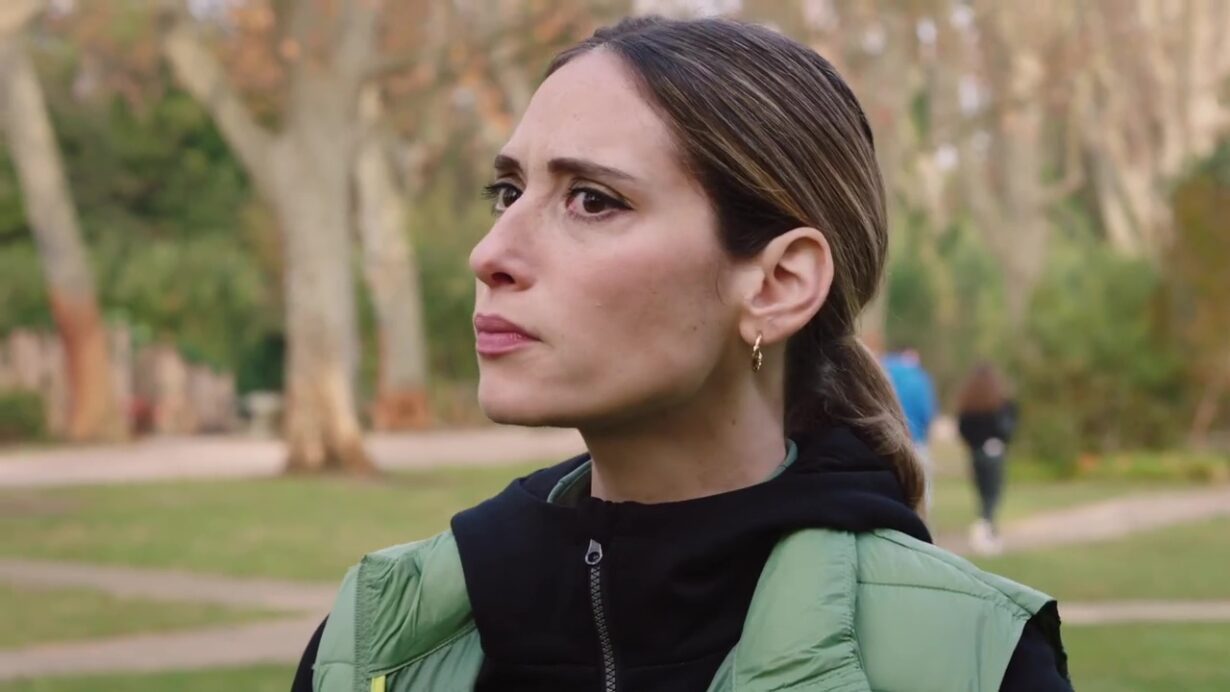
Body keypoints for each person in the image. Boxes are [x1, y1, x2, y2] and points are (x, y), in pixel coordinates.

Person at [293, 16, 1071, 692]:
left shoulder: (973, 660)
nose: (489, 252)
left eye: (591, 200)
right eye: (508, 193)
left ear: (777, 284)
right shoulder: (376, 640)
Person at [957, 362, 1019, 555]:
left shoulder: (969, 405)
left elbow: (963, 429)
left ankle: (988, 529)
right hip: (993, 453)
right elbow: (1009, 428)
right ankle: (986, 529)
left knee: (983, 493)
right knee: (993, 495)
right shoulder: (1000, 404)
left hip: (976, 453)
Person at [881, 346, 938, 510]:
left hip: (886, 440)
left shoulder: (881, 372)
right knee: (921, 486)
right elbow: (926, 411)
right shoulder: (919, 379)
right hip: (915, 438)